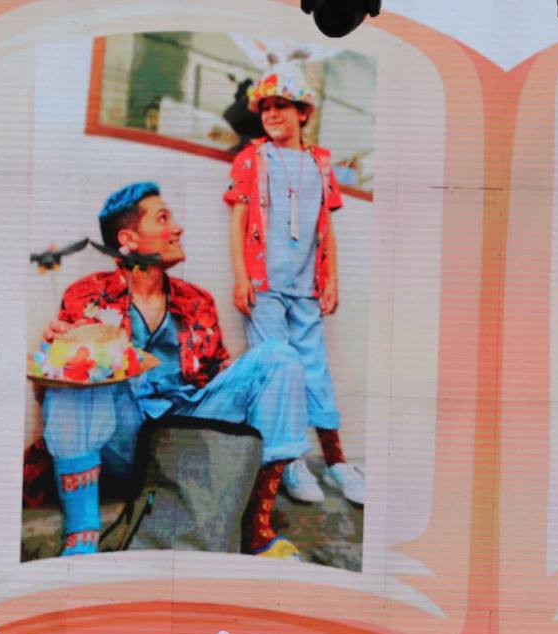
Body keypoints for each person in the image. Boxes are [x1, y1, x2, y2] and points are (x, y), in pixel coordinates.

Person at [38, 181, 310, 559]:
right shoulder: (87, 296)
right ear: (128, 239)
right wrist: (60, 350)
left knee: (279, 357)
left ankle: (257, 526)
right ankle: (82, 535)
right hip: (124, 441)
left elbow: (221, 382)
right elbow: (58, 388)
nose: (177, 228)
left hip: (185, 437)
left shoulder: (196, 301)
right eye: (163, 218)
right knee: (78, 375)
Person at [225, 63, 365, 506]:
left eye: (281, 105)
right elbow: (240, 218)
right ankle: (290, 463)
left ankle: (338, 462)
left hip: (306, 284)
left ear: (302, 112)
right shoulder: (252, 157)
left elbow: (326, 227)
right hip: (264, 284)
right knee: (278, 370)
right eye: (265, 107)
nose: (271, 114)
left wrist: (333, 279)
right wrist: (241, 277)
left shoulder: (321, 164)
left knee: (314, 370)